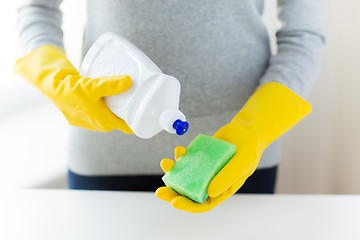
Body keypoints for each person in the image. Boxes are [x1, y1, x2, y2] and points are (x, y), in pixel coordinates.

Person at [14, 0, 324, 213]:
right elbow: (37, 7)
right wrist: (55, 77)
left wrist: (255, 128)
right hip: (106, 153)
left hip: (236, 159)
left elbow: (303, 34)